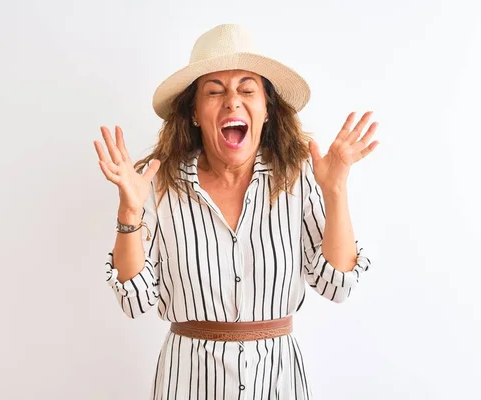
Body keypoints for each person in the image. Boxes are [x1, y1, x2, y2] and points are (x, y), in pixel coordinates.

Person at [94, 23, 379, 399]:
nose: (232, 101)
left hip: (278, 384)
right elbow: (135, 301)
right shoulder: (156, 184)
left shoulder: (296, 179)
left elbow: (338, 285)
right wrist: (130, 213)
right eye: (214, 91)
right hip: (187, 383)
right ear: (194, 113)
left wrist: (335, 190)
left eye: (247, 89)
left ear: (266, 111)